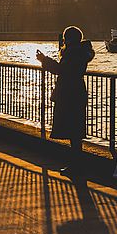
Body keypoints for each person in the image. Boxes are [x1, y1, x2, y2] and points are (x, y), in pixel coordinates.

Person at [36, 26, 95, 176]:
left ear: (68, 39)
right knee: (75, 131)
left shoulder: (72, 53)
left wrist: (45, 60)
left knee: (73, 131)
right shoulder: (81, 52)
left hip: (69, 93)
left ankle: (76, 166)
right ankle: (76, 165)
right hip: (77, 92)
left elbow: (62, 70)